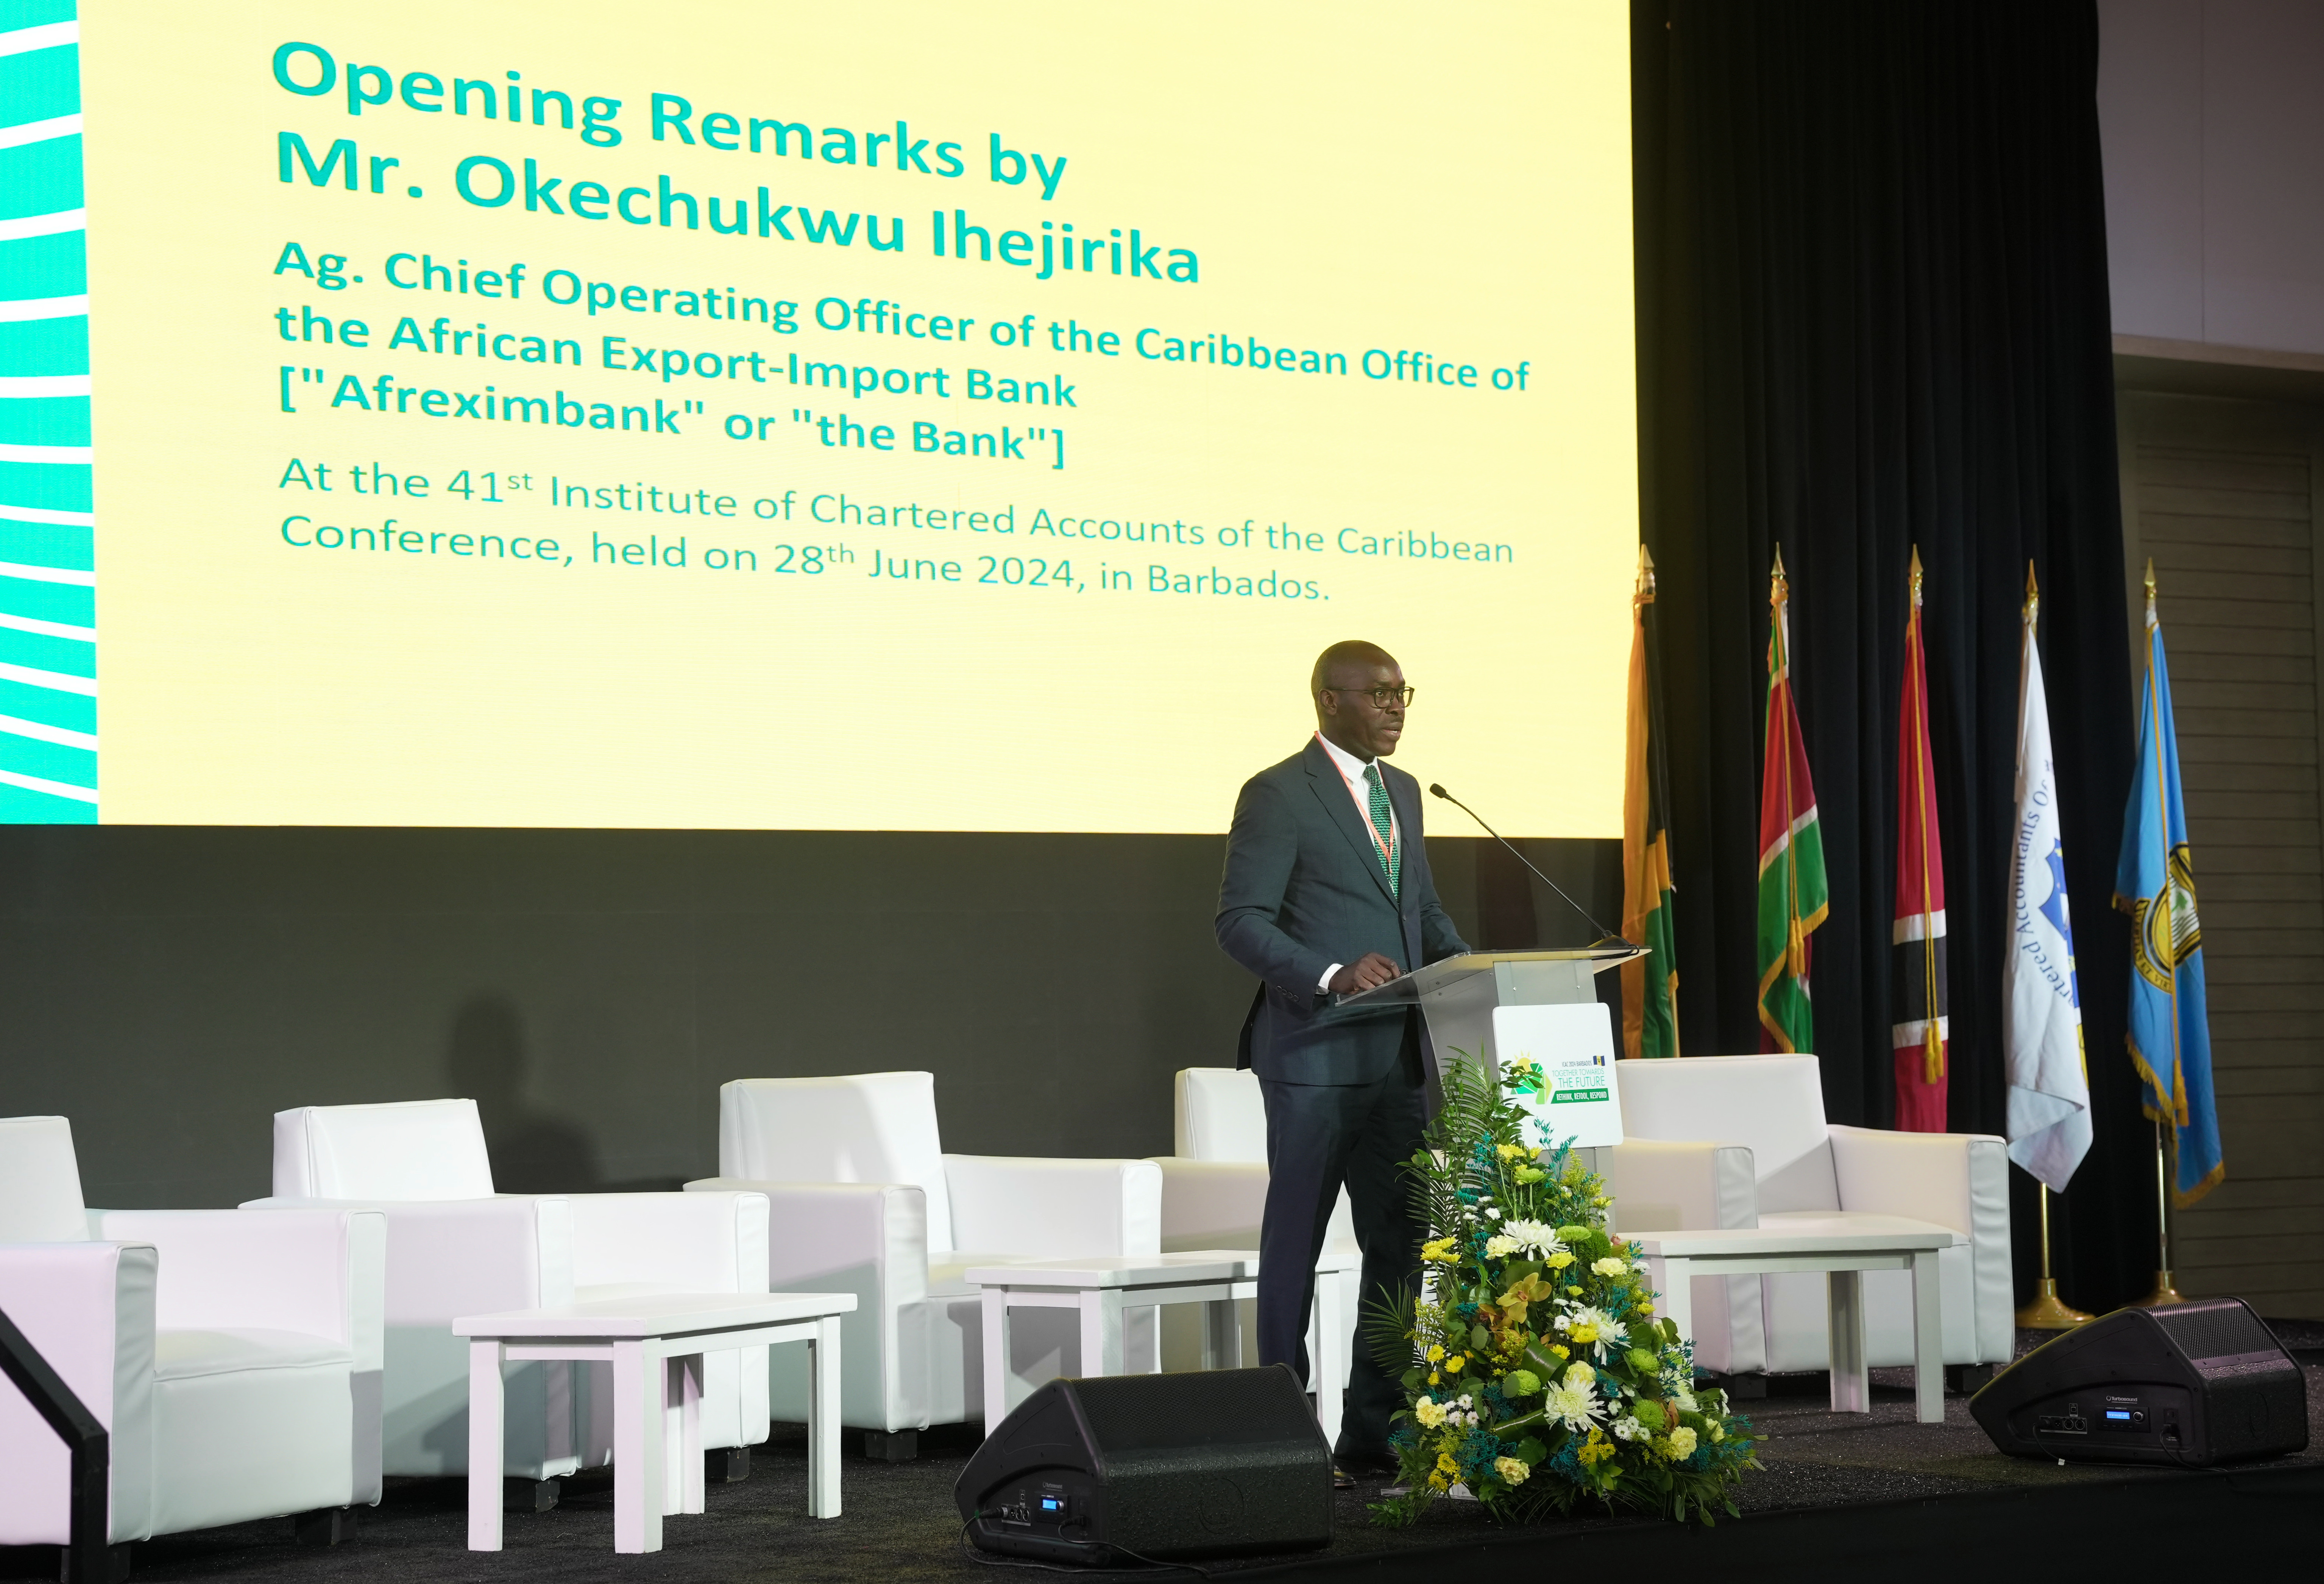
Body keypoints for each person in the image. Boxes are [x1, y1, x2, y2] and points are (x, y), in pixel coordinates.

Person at [1214, 639, 1471, 1481]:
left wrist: (1475, 970)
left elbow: (1419, 911)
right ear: (1330, 699)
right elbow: (1240, 921)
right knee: (1295, 1243)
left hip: (1398, 1059)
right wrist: (1330, 974)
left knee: (1401, 1241)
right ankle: (1284, 1441)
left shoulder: (1405, 792)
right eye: (1380, 693)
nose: (1396, 708)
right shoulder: (1278, 793)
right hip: (1314, 1055)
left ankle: (1376, 1431)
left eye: (1403, 693)